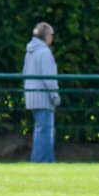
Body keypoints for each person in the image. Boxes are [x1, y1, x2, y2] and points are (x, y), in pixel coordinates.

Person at [22, 22, 60, 163]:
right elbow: (49, 77)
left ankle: (47, 159)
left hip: (31, 95)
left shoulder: (29, 52)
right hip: (43, 98)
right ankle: (41, 160)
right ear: (47, 36)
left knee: (41, 129)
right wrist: (55, 95)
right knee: (45, 131)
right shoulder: (45, 52)